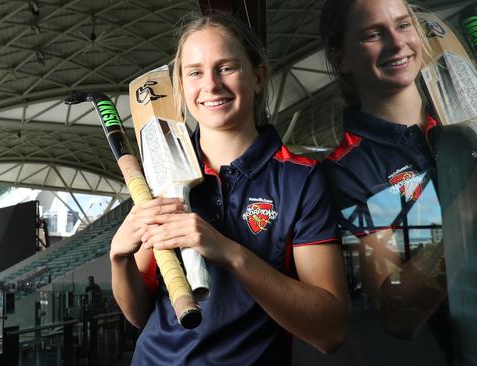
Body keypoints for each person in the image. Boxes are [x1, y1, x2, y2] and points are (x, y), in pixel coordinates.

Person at [110, 11, 349, 365]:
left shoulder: (300, 179)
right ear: (180, 86)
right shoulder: (162, 176)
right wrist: (119, 259)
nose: (211, 85)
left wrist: (230, 252)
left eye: (226, 68)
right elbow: (140, 313)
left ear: (258, 77)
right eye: (194, 72)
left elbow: (330, 331)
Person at [320, 0, 451, 363]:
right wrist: (463, 219)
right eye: (374, 34)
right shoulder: (348, 171)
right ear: (341, 58)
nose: (397, 43)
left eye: (404, 25)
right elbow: (396, 312)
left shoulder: (464, 120)